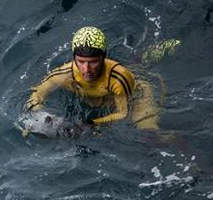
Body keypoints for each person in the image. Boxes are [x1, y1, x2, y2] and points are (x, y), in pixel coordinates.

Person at [25, 26, 166, 130]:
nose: (86, 69)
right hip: (99, 99)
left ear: (103, 58)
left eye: (93, 62)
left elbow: (123, 114)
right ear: (74, 58)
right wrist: (38, 113)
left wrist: (91, 124)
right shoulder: (64, 74)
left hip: (136, 92)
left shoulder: (118, 78)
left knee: (148, 133)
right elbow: (37, 93)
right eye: (81, 62)